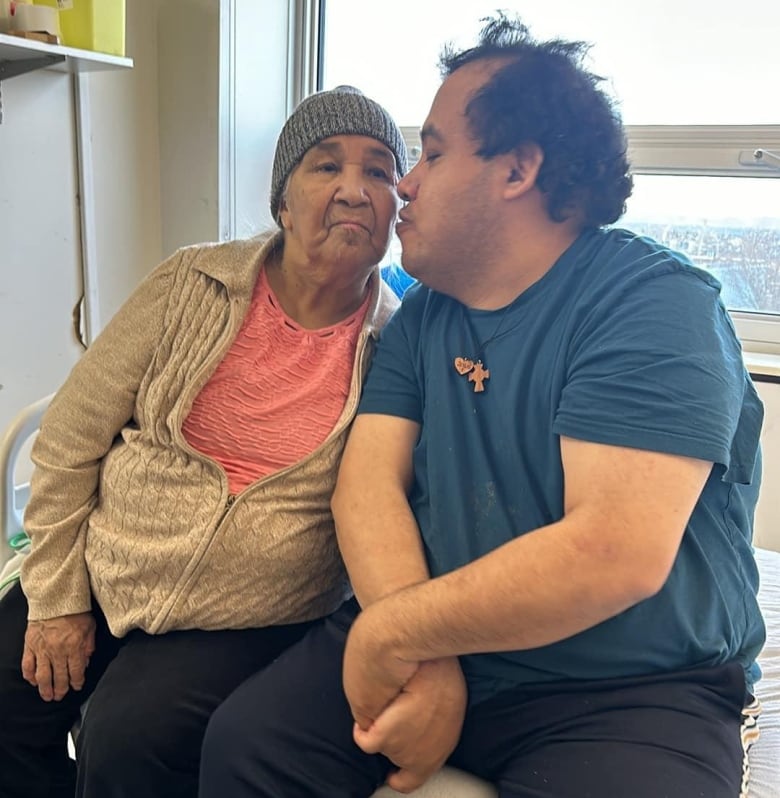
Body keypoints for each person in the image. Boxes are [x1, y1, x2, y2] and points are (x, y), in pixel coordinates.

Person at [198, 13, 766, 798]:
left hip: (627, 688)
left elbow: (614, 552)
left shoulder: (653, 305)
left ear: (517, 170)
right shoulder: (426, 313)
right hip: (445, 642)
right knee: (245, 748)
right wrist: (424, 659)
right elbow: (367, 486)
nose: (405, 182)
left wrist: (393, 632)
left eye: (431, 152)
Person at [0, 84, 406, 798]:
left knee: (127, 740)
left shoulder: (399, 345)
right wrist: (58, 597)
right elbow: (69, 438)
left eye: (378, 170)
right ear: (282, 199)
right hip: (110, 563)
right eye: (326, 165)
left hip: (247, 614)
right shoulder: (192, 280)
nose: (354, 189)